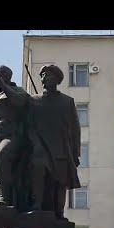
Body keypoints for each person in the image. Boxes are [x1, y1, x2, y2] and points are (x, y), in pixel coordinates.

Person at [28, 64, 81, 218]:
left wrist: (75, 153)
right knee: (38, 172)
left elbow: (75, 130)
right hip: (41, 147)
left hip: (61, 148)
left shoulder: (67, 102)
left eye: (49, 75)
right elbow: (28, 126)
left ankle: (59, 212)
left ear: (57, 80)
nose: (45, 78)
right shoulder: (34, 101)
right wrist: (36, 144)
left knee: (59, 182)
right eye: (43, 75)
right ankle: (37, 205)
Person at [0, 65, 29, 207]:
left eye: (0, 73)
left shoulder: (17, 90)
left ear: (7, 76)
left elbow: (21, 102)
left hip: (12, 135)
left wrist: (4, 86)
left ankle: (5, 198)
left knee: (1, 155)